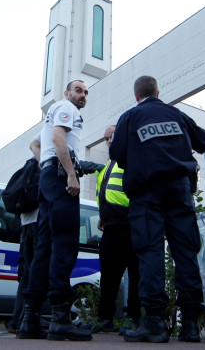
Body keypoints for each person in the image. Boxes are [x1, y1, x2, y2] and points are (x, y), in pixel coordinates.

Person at [109, 75, 205, 343]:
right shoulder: (176, 114)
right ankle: (190, 324)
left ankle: (154, 322)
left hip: (146, 193)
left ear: (136, 96)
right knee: (185, 251)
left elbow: (116, 153)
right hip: (179, 190)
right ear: (158, 91)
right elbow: (203, 142)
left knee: (150, 252)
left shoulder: (130, 117)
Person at [17, 80, 93, 341]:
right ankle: (60, 319)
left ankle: (30, 319)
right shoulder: (65, 107)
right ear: (67, 93)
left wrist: (46, 166)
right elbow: (58, 137)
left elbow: (35, 145)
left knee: (45, 247)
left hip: (49, 177)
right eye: (79, 91)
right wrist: (70, 174)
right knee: (65, 244)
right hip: (60, 178)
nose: (82, 95)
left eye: (85, 92)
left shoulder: (53, 113)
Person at [85, 125, 140, 334]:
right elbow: (106, 194)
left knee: (135, 275)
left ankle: (132, 318)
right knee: (108, 276)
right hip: (110, 227)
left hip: (130, 225)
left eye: (112, 137)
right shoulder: (107, 166)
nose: (109, 142)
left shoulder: (131, 159)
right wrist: (103, 216)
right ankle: (104, 319)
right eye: (106, 139)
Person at [5, 135, 41, 334]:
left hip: (25, 225)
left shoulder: (27, 166)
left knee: (26, 274)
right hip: (37, 224)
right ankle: (26, 320)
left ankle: (15, 320)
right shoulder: (42, 164)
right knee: (35, 272)